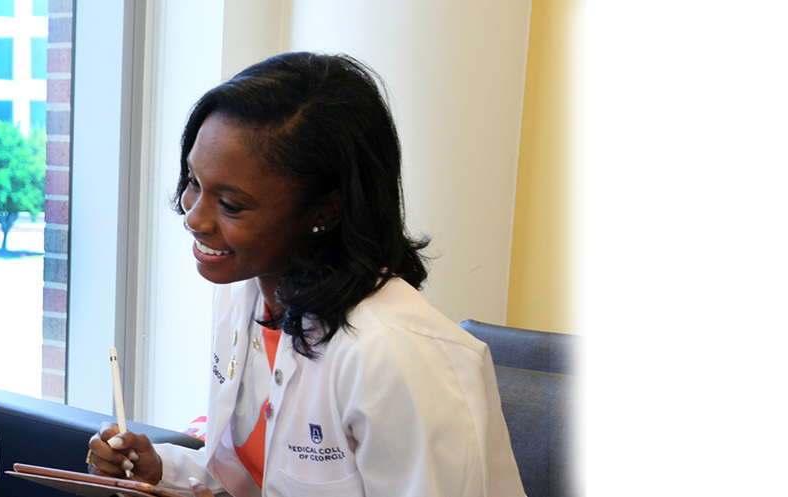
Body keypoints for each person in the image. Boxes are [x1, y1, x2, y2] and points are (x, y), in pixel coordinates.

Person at [86, 52, 524, 497]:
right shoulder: (245, 297)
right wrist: (160, 471)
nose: (194, 218)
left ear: (325, 209)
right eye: (194, 182)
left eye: (231, 205)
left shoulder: (395, 354)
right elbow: (253, 476)